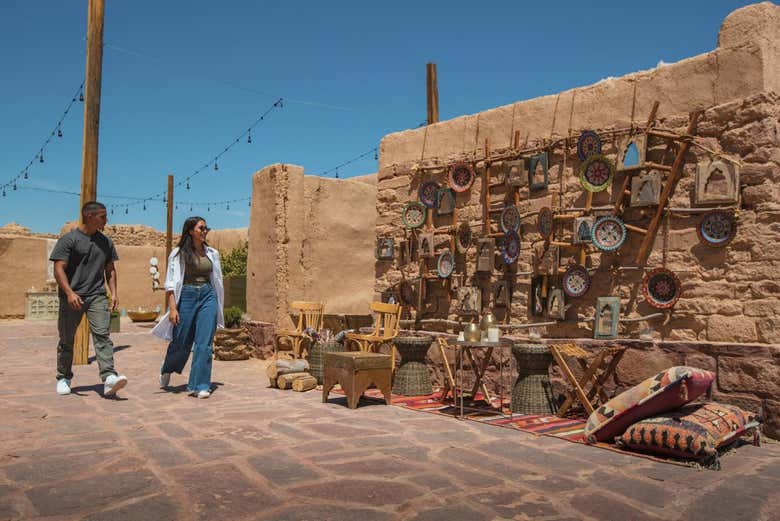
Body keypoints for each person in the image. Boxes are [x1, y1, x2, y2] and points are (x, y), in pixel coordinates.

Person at [50, 201, 128, 397]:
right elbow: (59, 268)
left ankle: (109, 377)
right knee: (67, 339)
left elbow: (110, 270)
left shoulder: (106, 242)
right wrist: (69, 293)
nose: (106, 220)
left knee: (102, 335)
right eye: (103, 216)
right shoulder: (69, 240)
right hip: (72, 296)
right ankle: (63, 377)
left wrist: (114, 293)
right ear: (89, 216)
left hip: (96, 295)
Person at [151, 217, 224, 398]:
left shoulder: (212, 253)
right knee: (182, 340)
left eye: (206, 228)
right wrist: (173, 308)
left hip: (208, 296)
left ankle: (200, 385)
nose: (205, 231)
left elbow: (217, 280)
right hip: (187, 296)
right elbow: (170, 284)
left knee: (204, 343)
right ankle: (168, 368)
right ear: (190, 231)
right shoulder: (178, 254)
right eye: (201, 228)